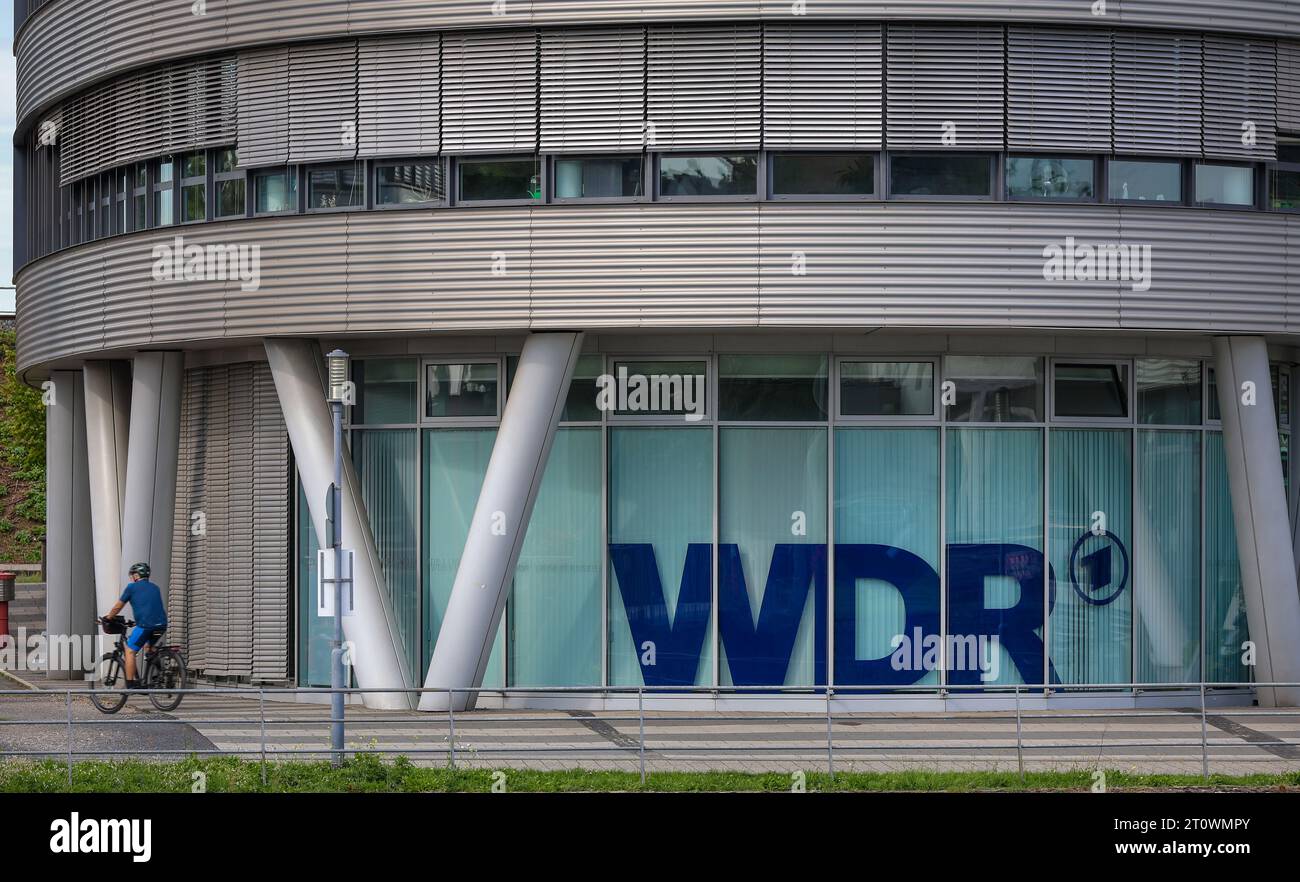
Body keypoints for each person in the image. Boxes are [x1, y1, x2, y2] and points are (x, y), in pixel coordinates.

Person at [102, 562, 168, 690]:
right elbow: (151, 608)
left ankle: (131, 685)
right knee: (149, 647)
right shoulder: (155, 587)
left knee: (130, 651)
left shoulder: (131, 588)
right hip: (161, 625)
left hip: (146, 625)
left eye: (132, 575)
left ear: (136, 575)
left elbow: (118, 606)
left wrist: (108, 617)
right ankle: (159, 674)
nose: (131, 578)